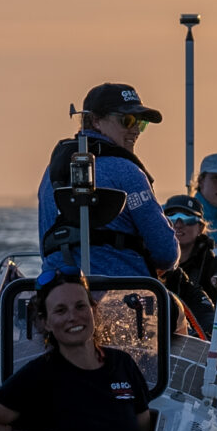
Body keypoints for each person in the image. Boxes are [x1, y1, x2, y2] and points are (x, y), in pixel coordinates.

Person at [0, 273, 156, 431]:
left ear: (93, 310)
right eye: (60, 310)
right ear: (46, 323)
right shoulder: (36, 376)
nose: (73, 317)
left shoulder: (123, 364)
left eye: (80, 306)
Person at [36, 83, 180, 283]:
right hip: (122, 300)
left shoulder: (50, 174)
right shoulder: (127, 172)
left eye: (141, 123)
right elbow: (166, 254)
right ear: (95, 120)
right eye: (127, 120)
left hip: (58, 301)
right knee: (181, 308)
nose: (136, 129)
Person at [159, 193, 217, 328]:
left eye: (187, 218)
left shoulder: (212, 263)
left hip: (202, 328)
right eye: (172, 218)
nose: (179, 224)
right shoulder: (154, 262)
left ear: (200, 228)